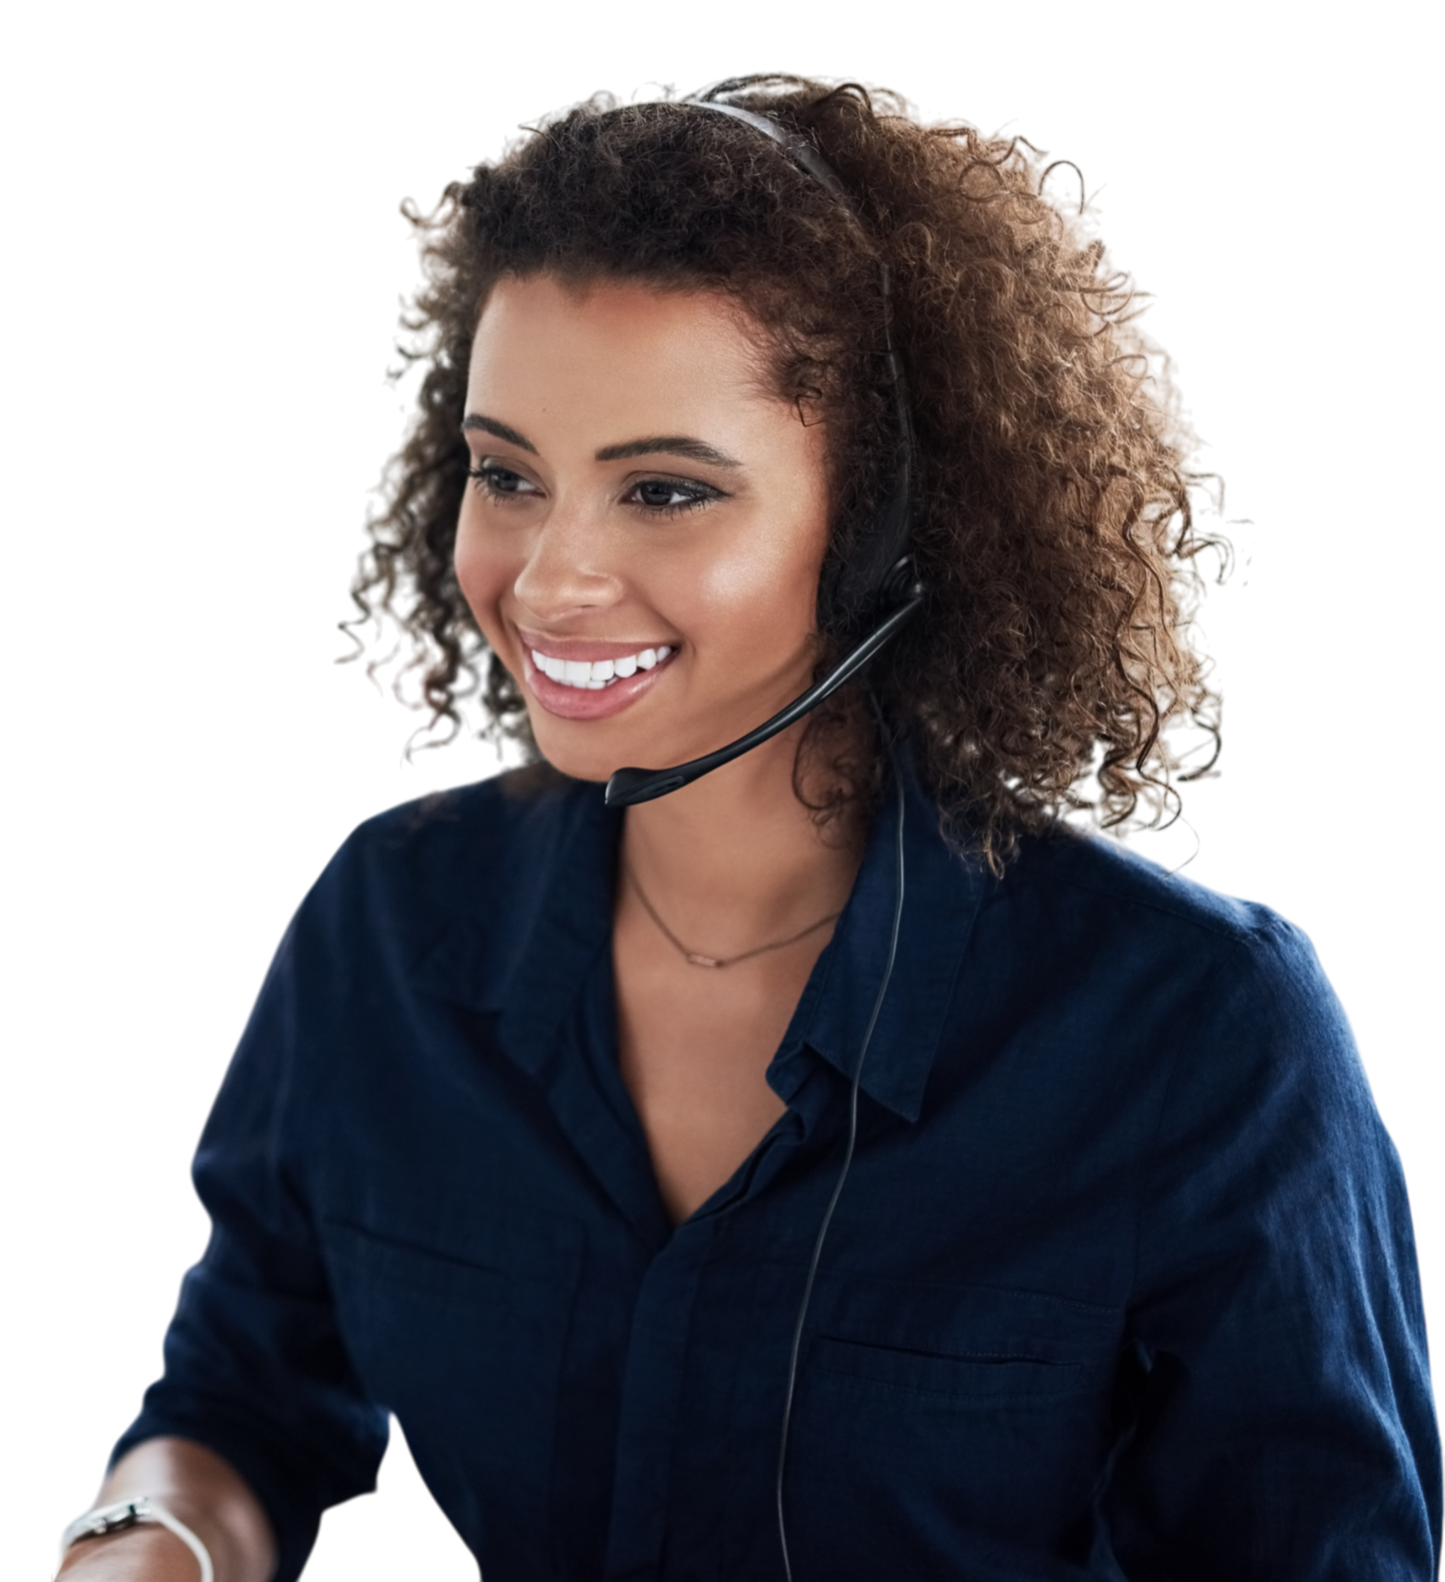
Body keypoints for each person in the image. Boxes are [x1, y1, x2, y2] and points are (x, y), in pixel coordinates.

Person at [57, 73, 1442, 1581]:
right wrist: (157, 1536)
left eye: (663, 489)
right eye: (509, 473)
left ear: (876, 533)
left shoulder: (1201, 1034)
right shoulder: (386, 931)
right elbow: (243, 1393)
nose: (549, 579)